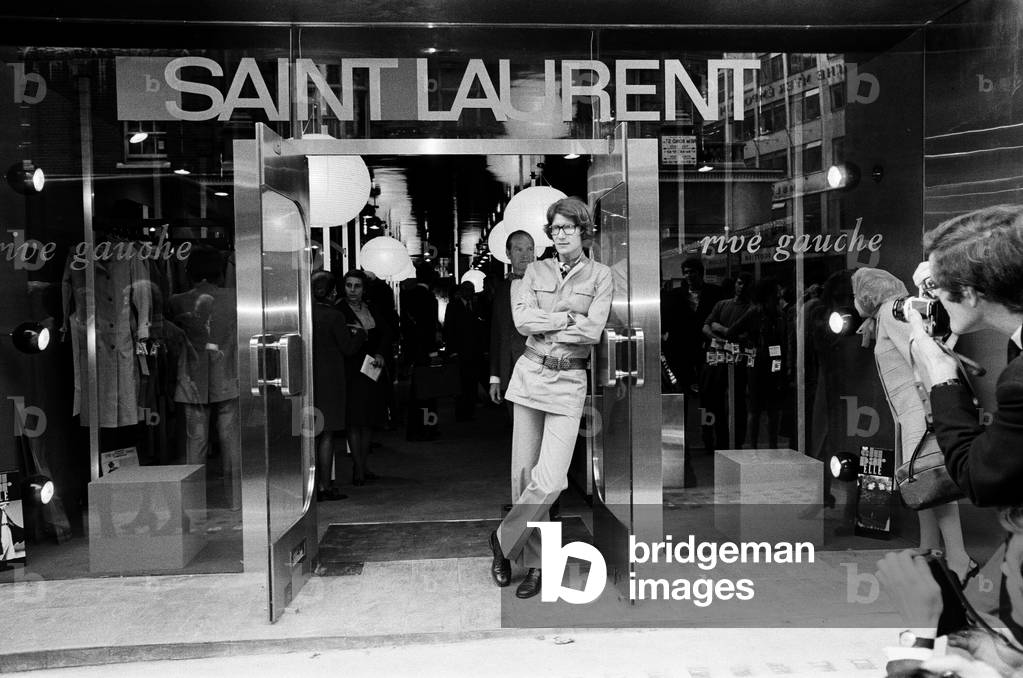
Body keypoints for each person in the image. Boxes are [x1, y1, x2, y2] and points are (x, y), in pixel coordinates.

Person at [488, 197, 613, 599]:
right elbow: (523, 321)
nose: (560, 234)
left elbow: (592, 332)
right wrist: (565, 319)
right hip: (529, 375)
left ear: (583, 230)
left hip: (568, 381)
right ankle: (535, 566)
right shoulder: (534, 271)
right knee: (524, 475)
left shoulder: (601, 276)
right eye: (555, 228)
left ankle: (502, 540)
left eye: (568, 228)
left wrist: (550, 325)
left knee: (551, 480)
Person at [852, 267, 974, 583]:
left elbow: (922, 355)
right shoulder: (887, 314)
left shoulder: (893, 313)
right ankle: (930, 545)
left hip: (919, 410)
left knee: (934, 481)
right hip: (911, 412)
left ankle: (960, 558)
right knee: (920, 480)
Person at [904, 205, 1023, 507]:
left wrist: (942, 378)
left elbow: (980, 478)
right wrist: (949, 264)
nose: (936, 296)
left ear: (969, 293)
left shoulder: (1018, 384)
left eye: (939, 286)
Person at [311, 270, 366, 501]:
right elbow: (348, 348)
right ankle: (325, 486)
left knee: (306, 435)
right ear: (333, 291)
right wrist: (360, 335)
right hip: (330, 382)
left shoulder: (301, 314)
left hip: (304, 380)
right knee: (327, 436)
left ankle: (308, 490)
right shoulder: (334, 316)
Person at [337, 270, 393, 486]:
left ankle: (363, 465)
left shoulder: (371, 308)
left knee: (369, 419)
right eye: (349, 285)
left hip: (371, 368)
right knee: (354, 420)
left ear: (363, 288)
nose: (352, 290)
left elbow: (387, 332)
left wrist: (380, 352)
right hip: (350, 369)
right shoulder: (339, 310)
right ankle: (358, 468)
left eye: (357, 286)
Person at [701, 271, 754, 451]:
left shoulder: (750, 309)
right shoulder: (722, 304)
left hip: (736, 360)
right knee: (714, 401)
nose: (741, 287)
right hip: (718, 359)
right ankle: (719, 439)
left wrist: (721, 330)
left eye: (744, 284)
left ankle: (735, 441)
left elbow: (741, 335)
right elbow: (706, 327)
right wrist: (724, 337)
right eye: (739, 283)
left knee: (737, 402)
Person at [489, 230, 536, 408]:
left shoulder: (548, 284)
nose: (526, 255)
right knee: (518, 430)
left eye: (530, 249)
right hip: (511, 372)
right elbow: (496, 335)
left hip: (542, 372)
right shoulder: (501, 290)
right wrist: (495, 378)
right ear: (508, 253)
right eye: (519, 249)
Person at [444, 280, 485, 421]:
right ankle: (461, 411)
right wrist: (452, 351)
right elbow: (449, 329)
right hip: (460, 351)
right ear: (461, 291)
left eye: (472, 290)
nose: (470, 293)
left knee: (472, 382)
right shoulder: (453, 306)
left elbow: (480, 329)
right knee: (461, 382)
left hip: (474, 351)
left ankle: (470, 410)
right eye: (467, 290)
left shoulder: (476, 305)